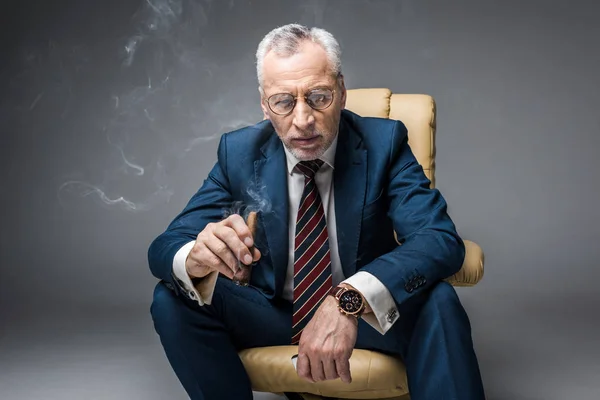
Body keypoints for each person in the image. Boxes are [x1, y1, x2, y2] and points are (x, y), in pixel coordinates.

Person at [148, 24, 486, 400]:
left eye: (319, 97)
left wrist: (348, 300)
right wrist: (196, 258)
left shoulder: (384, 142)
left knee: (439, 301)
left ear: (341, 92)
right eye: (283, 102)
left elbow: (438, 240)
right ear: (264, 104)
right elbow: (165, 246)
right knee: (172, 296)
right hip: (273, 315)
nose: (303, 119)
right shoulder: (239, 153)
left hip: (365, 318)